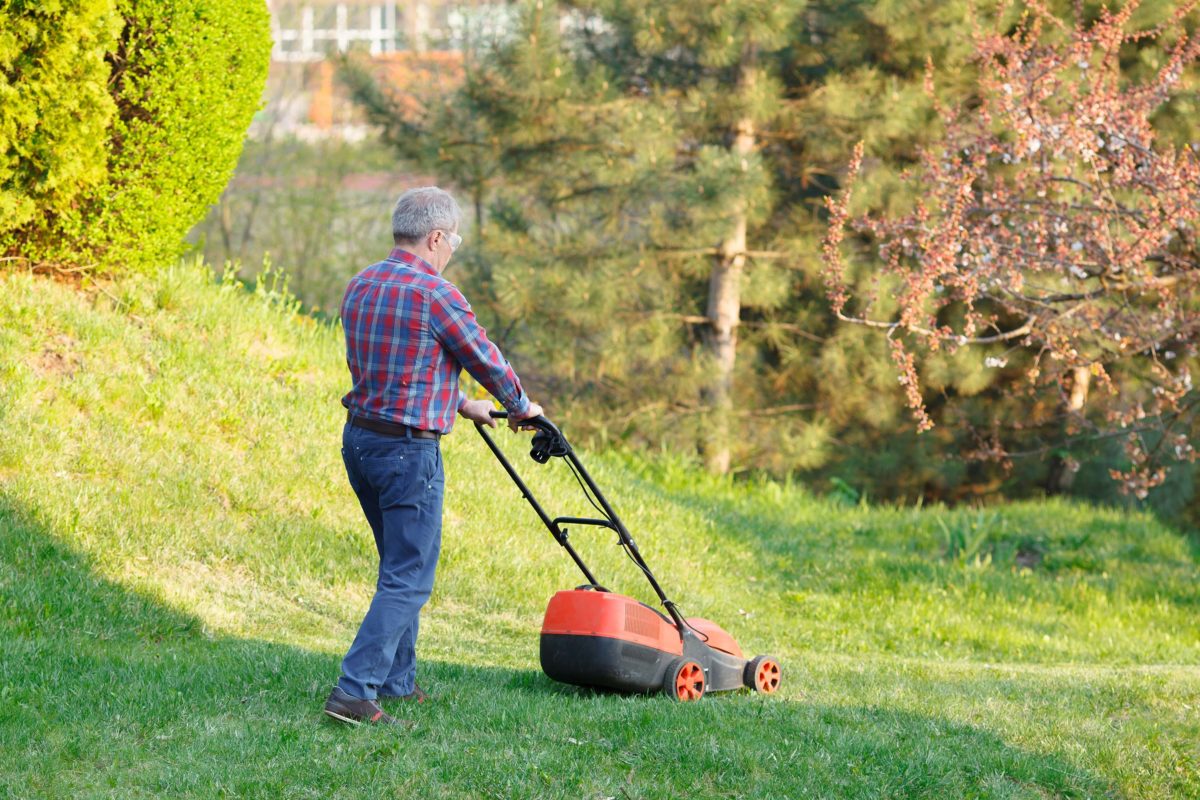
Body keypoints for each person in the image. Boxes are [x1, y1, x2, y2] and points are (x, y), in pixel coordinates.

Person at [323, 187, 543, 726]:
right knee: (410, 575)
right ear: (436, 237)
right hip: (405, 452)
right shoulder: (435, 294)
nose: (452, 253)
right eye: (453, 242)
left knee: (397, 565)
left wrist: (461, 403)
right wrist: (521, 406)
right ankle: (355, 691)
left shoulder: (362, 283)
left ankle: (396, 682)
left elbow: (395, 366)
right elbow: (484, 357)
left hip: (361, 442)